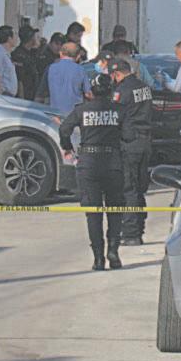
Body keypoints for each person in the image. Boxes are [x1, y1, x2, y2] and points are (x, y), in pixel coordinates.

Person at [59, 74, 125, 270]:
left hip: (88, 163)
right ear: (111, 90)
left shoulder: (81, 110)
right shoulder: (119, 110)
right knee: (115, 210)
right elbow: (130, 134)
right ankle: (113, 252)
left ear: (91, 92)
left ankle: (98, 258)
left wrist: (67, 147)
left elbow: (64, 129)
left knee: (93, 213)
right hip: (113, 162)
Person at [109, 58, 154, 246]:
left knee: (128, 189)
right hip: (145, 141)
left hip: (129, 143)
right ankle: (139, 227)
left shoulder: (121, 91)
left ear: (116, 74)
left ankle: (130, 233)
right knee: (139, 188)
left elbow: (115, 116)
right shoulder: (144, 87)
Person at [38, 42, 92, 114]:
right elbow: (88, 94)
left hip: (54, 113)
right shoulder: (81, 70)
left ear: (60, 54)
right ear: (78, 56)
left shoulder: (50, 68)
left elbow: (41, 93)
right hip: (74, 113)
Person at [11, 26, 41, 100]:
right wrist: (21, 100)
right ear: (31, 38)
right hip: (25, 97)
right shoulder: (19, 55)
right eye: (35, 36)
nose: (37, 38)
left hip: (32, 95)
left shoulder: (31, 53)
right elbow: (19, 79)